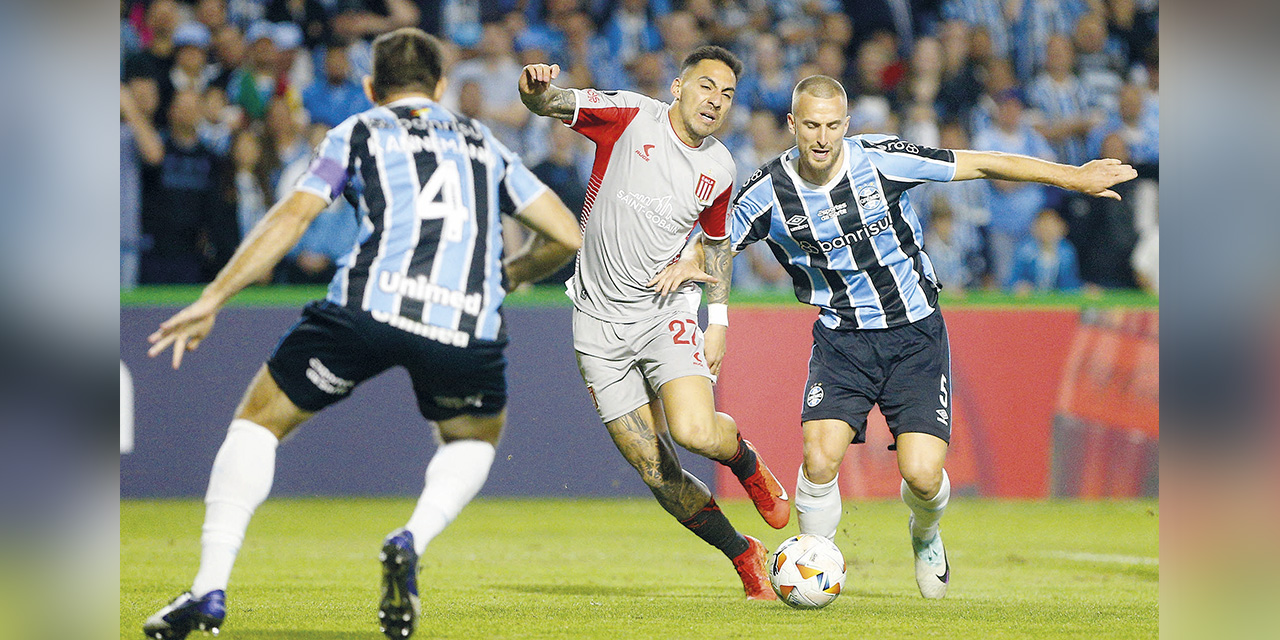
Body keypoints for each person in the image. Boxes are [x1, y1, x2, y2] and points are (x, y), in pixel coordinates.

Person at [141, 28, 581, 640]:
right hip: (464, 322)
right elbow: (566, 237)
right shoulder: (488, 145)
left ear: (373, 89)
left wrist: (215, 296)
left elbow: (294, 213)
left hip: (367, 308)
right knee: (472, 441)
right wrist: (501, 278)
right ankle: (412, 538)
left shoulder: (358, 131)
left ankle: (209, 589)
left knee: (258, 421)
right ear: (442, 87)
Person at [657, 74, 1135, 599]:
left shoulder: (880, 158)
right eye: (811, 126)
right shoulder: (766, 193)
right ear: (792, 125)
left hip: (915, 335)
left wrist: (1073, 177)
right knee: (819, 458)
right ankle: (815, 566)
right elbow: (717, 242)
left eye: (833, 125)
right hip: (842, 341)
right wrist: (688, 271)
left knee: (924, 475)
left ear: (847, 124)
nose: (822, 138)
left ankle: (926, 533)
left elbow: (979, 162)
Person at [517, 46, 789, 600]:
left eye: (728, 94)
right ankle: (742, 552)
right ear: (678, 88)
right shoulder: (628, 116)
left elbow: (717, 245)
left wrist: (718, 322)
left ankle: (744, 459)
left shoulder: (719, 168)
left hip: (664, 312)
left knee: (694, 433)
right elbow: (551, 103)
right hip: (596, 324)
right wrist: (535, 88)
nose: (716, 100)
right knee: (657, 470)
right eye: (706, 86)